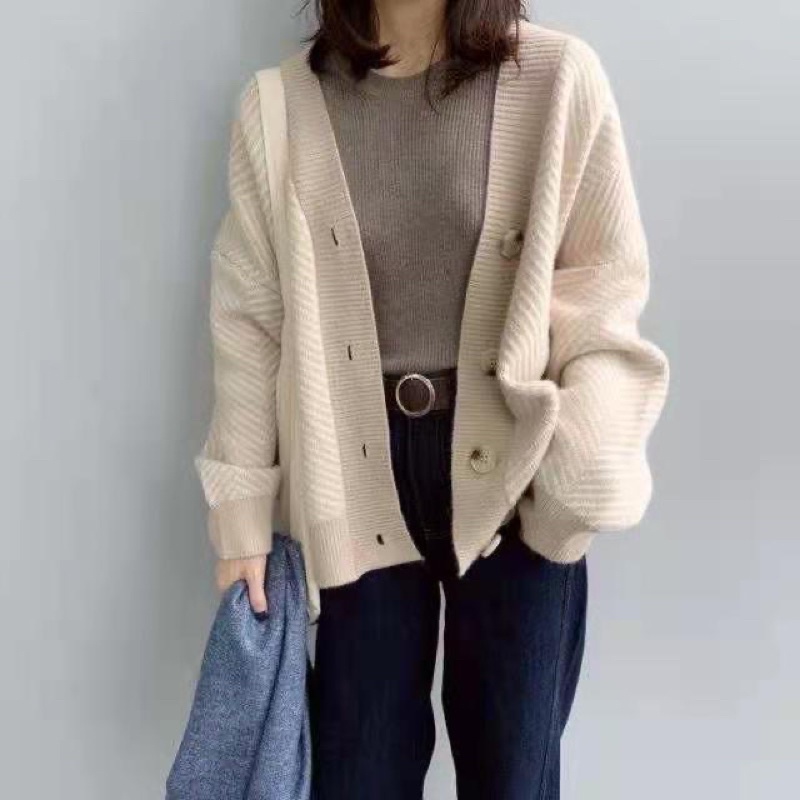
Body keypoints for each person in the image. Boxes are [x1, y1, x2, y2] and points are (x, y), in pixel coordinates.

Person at [193, 1, 670, 798]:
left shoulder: (557, 79)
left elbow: (602, 292)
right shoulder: (279, 109)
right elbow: (250, 321)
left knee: (513, 776)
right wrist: (240, 511)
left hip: (518, 479)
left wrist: (576, 475)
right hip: (353, 477)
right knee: (360, 771)